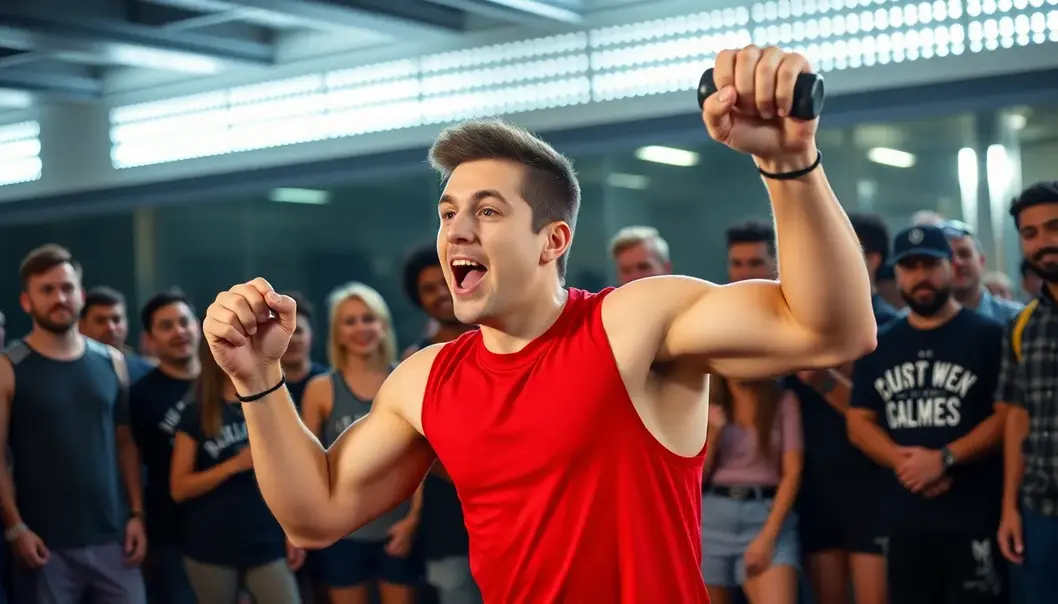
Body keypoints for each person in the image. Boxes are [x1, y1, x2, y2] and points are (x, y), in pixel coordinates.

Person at [201, 46, 877, 603]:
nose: (457, 230)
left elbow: (830, 331)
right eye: (448, 213)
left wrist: (788, 164)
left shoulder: (630, 323)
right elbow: (314, 515)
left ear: (552, 241)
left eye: (488, 211)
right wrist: (258, 380)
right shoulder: (426, 380)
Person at [847, 224, 1008, 604]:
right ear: (897, 273)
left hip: (974, 515)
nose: (921, 276)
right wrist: (905, 463)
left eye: (931, 265)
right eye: (910, 267)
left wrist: (944, 458)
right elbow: (858, 421)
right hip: (906, 519)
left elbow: (1006, 417)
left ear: (951, 266)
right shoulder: (880, 342)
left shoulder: (989, 336)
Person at [0, 244, 147, 603]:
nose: (59, 298)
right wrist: (15, 527)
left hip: (114, 539)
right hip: (44, 546)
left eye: (67, 288)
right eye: (47, 290)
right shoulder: (8, 367)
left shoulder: (112, 362)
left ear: (80, 295)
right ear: (27, 302)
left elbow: (125, 444)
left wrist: (137, 514)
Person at [791, 212, 895, 604]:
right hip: (817, 488)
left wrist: (824, 380)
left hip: (872, 488)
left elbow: (885, 416)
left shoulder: (890, 328)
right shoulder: (806, 324)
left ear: (872, 260)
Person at [301, 283, 420, 604]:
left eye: (368, 319)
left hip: (397, 531)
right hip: (345, 535)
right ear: (338, 333)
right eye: (350, 321)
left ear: (383, 326)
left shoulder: (407, 380)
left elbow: (423, 458)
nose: (360, 328)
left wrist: (413, 521)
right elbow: (311, 465)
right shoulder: (320, 389)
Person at [169, 337, 304, 604]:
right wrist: (233, 465)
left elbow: (293, 478)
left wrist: (295, 531)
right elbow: (179, 488)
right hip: (211, 546)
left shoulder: (275, 403)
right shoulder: (196, 411)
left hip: (266, 542)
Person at [400, 245, 480, 604]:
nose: (439, 294)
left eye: (444, 282)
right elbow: (413, 443)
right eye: (427, 289)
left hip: (515, 512)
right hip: (448, 518)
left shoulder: (503, 341)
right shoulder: (414, 360)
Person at [995, 181, 1058, 604]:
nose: (1043, 242)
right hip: (1040, 512)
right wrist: (1009, 508)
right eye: (1030, 233)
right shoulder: (1022, 325)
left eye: (1054, 227)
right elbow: (1017, 417)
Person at [700, 378, 803, 604]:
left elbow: (793, 472)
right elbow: (693, 480)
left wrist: (767, 536)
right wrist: (713, 436)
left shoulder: (782, 401)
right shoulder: (706, 400)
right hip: (713, 520)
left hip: (765, 515)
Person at [128, 290, 201, 604]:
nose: (179, 332)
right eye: (166, 326)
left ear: (198, 326)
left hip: (236, 526)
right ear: (150, 339)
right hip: (171, 534)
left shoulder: (229, 381)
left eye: (184, 322)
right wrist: (137, 515)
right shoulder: (139, 396)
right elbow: (130, 460)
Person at [940, 220, 1022, 323]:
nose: (957, 262)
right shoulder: (922, 324)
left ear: (981, 261)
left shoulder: (1018, 319)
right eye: (948, 256)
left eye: (964, 254)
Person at [80, 286, 156, 383]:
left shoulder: (146, 373)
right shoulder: (73, 371)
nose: (111, 328)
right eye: (100, 321)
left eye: (116, 320)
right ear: (81, 326)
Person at [278, 291, 328, 409]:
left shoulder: (330, 383)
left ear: (311, 335)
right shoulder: (263, 388)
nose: (292, 340)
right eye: (284, 333)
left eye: (298, 331)